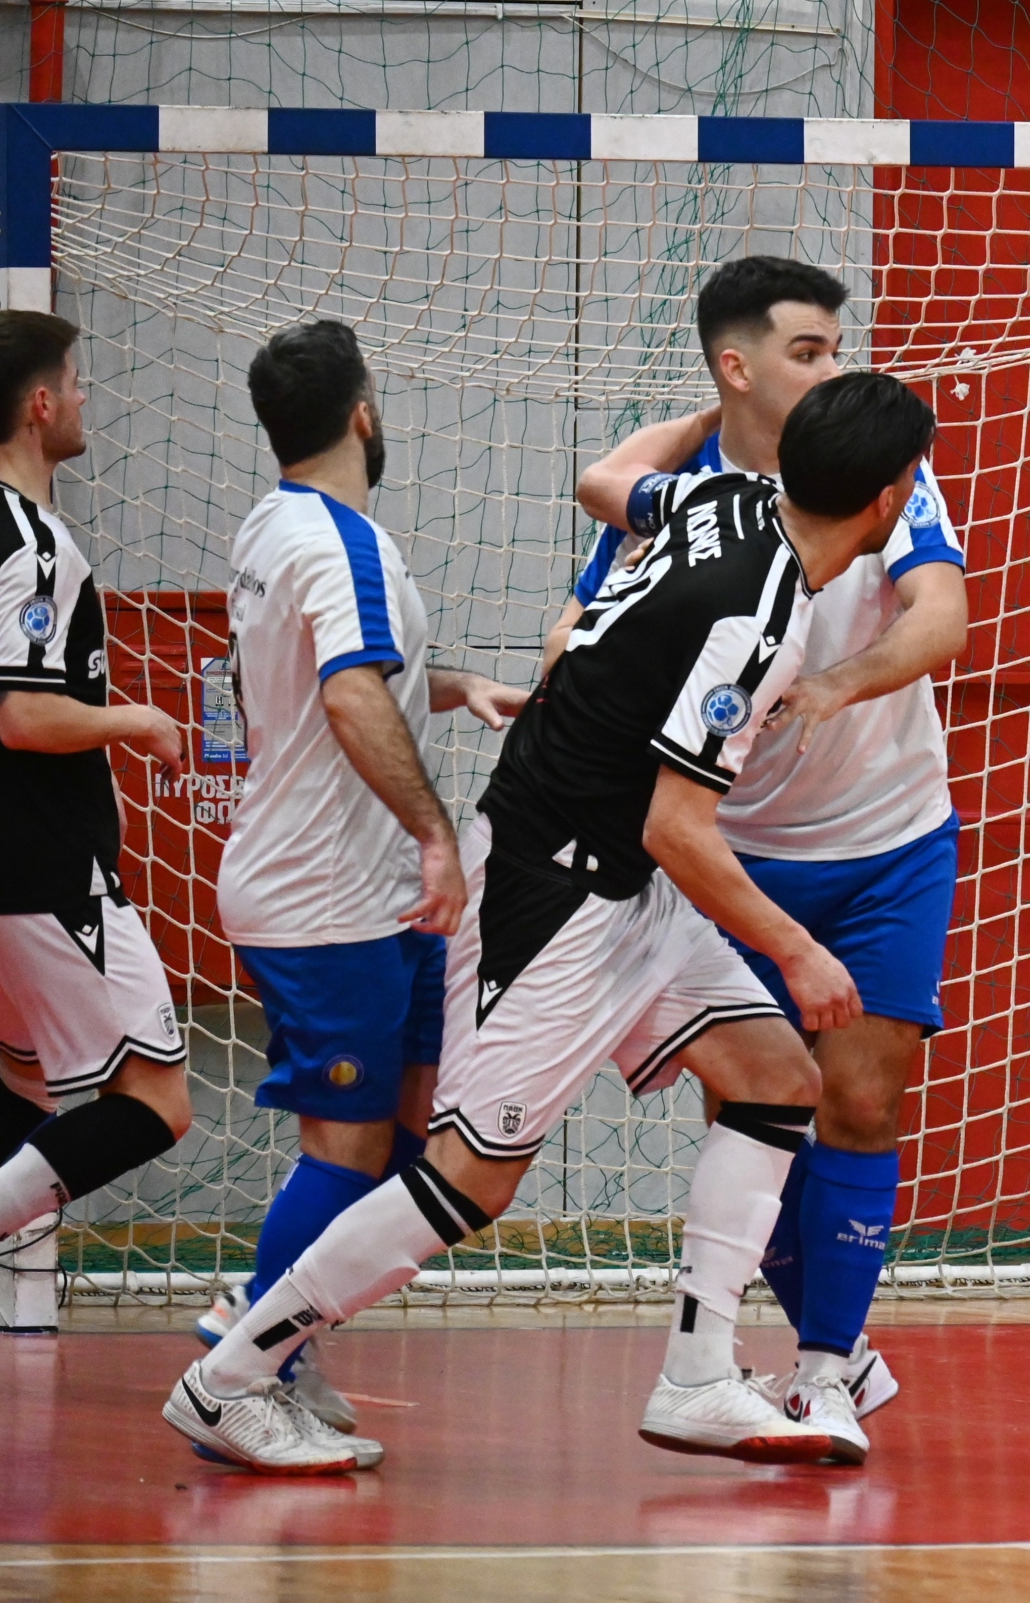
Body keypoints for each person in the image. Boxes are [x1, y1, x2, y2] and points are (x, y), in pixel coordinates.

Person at [163, 371, 936, 1474]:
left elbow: (608, 481)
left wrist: (705, 417)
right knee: (469, 1179)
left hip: (624, 879)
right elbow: (679, 825)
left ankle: (698, 1375)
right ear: (891, 498)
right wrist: (800, 949)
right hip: (557, 890)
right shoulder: (764, 615)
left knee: (775, 1076)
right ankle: (231, 1376)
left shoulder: (720, 498)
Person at [569, 256, 966, 1465]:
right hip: (733, 851)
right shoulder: (691, 501)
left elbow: (941, 615)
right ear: (736, 368)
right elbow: (587, 574)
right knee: (763, 1109)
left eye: (839, 346)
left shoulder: (888, 475)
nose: (834, 367)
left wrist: (838, 681)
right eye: (808, 350)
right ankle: (814, 1342)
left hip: (890, 835)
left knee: (865, 1099)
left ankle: (824, 1369)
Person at [195, 320, 527, 1435]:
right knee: (347, 1144)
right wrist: (436, 837)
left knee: (416, 1129)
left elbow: (351, 678)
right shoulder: (341, 544)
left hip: (365, 892)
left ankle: (270, 1321)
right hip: (328, 893)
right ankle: (247, 1367)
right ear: (363, 414)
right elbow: (344, 694)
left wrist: (457, 685)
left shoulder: (274, 523)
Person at [0, 311, 191, 1393]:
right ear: (38, 404)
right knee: (156, 1102)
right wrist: (137, 720)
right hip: (44, 868)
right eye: (73, 382)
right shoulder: (35, 544)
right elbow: (25, 714)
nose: (83, 399)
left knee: (26, 1077)